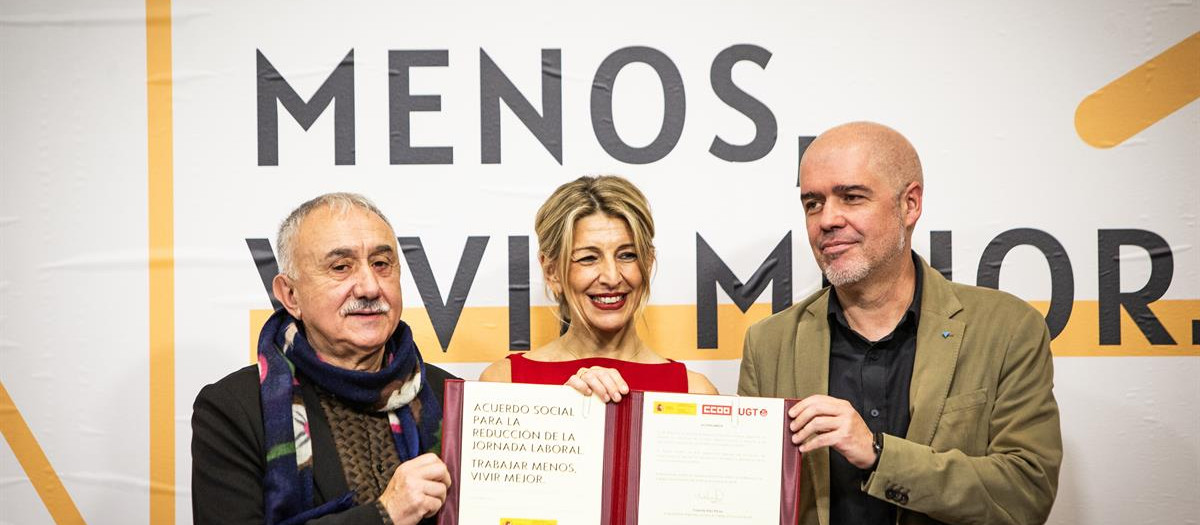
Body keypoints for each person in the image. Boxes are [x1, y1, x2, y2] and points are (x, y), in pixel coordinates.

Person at [738, 122, 1062, 525]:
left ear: (909, 204)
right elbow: (751, 499)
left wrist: (878, 455)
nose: (827, 220)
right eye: (813, 203)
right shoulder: (768, 344)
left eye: (851, 197)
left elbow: (1026, 493)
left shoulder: (1008, 329)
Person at [192, 193, 455, 525]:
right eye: (341, 267)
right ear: (290, 295)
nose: (370, 287)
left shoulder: (447, 394)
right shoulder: (234, 408)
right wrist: (384, 515)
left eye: (381, 264)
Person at [480, 175, 717, 400]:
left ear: (647, 262)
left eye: (627, 255)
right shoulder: (503, 384)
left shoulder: (696, 393)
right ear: (552, 272)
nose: (612, 277)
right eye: (588, 258)